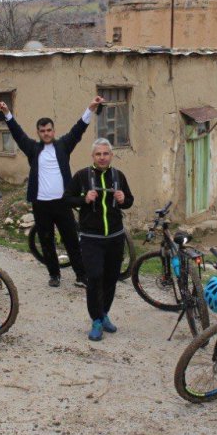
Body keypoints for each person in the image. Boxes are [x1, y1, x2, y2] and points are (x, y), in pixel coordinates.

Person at [0, 96, 103, 287]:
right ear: (39, 133)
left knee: (71, 240)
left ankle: (81, 275)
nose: (46, 133)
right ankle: (54, 275)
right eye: (42, 131)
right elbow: (18, 134)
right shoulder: (33, 149)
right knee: (46, 240)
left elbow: (78, 130)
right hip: (41, 204)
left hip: (62, 203)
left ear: (53, 131)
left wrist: (90, 109)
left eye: (49, 130)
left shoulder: (63, 145)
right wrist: (7, 113)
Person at [67, 138, 134, 341]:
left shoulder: (118, 176)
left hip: (115, 237)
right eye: (98, 154)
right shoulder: (82, 176)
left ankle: (104, 314)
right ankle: (96, 320)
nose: (102, 157)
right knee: (95, 277)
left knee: (111, 279)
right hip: (91, 238)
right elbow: (67, 198)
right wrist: (84, 199)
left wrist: (123, 200)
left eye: (106, 154)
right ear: (93, 156)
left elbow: (129, 201)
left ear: (111, 155)